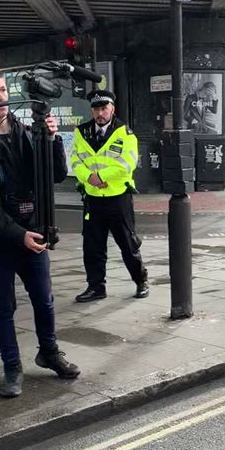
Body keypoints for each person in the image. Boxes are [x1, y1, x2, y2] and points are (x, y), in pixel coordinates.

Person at [0, 68, 80, 398]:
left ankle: (49, 353)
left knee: (44, 300)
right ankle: (12, 368)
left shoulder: (28, 132)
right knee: (3, 306)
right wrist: (18, 236)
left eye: (2, 91)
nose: (0, 98)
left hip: (34, 233)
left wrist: (52, 139)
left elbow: (56, 174)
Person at [70, 89, 148, 302]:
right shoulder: (81, 132)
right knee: (92, 246)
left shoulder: (125, 133)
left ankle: (141, 281)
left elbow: (127, 163)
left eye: (104, 108)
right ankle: (96, 287)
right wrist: (89, 177)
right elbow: (75, 160)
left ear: (112, 108)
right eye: (96, 109)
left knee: (128, 243)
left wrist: (101, 175)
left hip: (118, 196)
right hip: (93, 197)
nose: (100, 113)